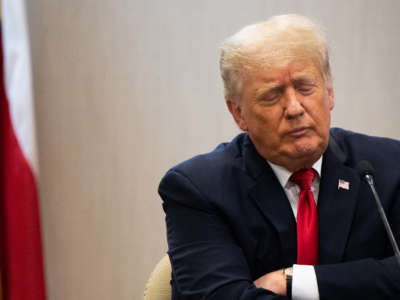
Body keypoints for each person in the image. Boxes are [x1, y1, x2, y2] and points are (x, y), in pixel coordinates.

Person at [158, 14, 400, 299]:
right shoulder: (199, 189)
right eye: (272, 96)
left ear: (330, 93)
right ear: (238, 113)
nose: (295, 108)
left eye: (305, 87)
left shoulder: (387, 166)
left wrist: (296, 281)